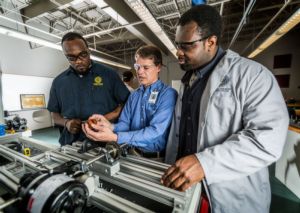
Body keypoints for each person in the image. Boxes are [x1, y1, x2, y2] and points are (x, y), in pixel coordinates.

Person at [161, 5, 289, 213]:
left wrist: (205, 164)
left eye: (187, 46)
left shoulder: (252, 76)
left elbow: (267, 140)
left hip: (230, 196)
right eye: (177, 44)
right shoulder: (188, 81)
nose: (178, 52)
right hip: (187, 191)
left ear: (211, 42)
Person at [83, 45, 177, 158]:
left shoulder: (168, 94)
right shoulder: (134, 95)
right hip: (133, 153)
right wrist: (109, 126)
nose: (140, 72)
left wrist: (116, 137)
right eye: (137, 66)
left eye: (146, 67)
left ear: (158, 67)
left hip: (156, 158)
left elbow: (155, 132)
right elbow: (125, 123)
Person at [47, 32, 130, 145]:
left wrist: (107, 117)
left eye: (83, 55)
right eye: (72, 58)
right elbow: (54, 115)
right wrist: (67, 123)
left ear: (89, 51)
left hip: (105, 141)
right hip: (71, 143)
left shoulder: (109, 75)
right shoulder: (59, 82)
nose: (78, 61)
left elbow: (127, 103)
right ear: (65, 55)